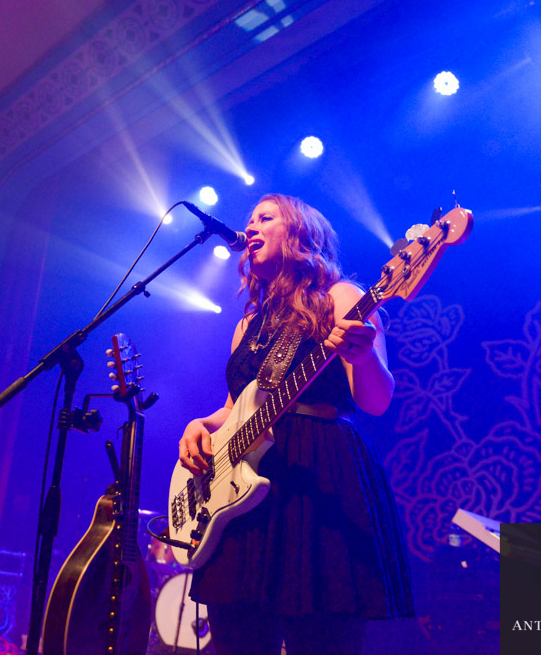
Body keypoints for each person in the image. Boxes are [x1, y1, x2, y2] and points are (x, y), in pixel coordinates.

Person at [177, 194, 414, 655]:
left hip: (317, 472)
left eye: (265, 218)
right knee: (238, 634)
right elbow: (235, 406)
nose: (251, 227)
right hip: (242, 493)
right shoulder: (248, 324)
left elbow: (377, 400)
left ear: (300, 234)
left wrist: (362, 355)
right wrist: (200, 423)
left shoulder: (341, 296)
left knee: (320, 631)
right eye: (249, 220)